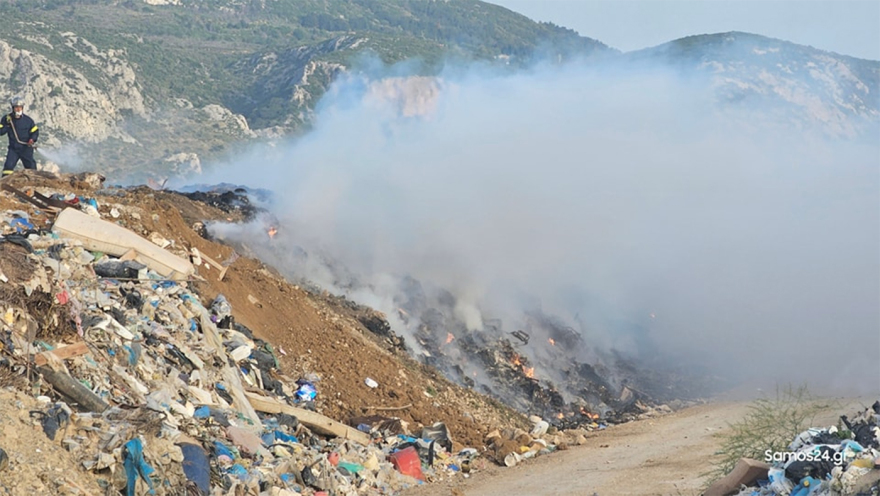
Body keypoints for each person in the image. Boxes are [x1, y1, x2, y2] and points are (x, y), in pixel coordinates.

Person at [0, 96, 39, 176]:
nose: (18, 109)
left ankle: (33, 186)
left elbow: (35, 132)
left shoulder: (28, 121)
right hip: (13, 149)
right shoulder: (7, 119)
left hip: (26, 148)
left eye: (20, 107)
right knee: (8, 167)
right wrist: (7, 125)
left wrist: (32, 139)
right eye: (16, 107)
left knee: (31, 167)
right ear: (13, 108)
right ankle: (3, 185)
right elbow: (1, 132)